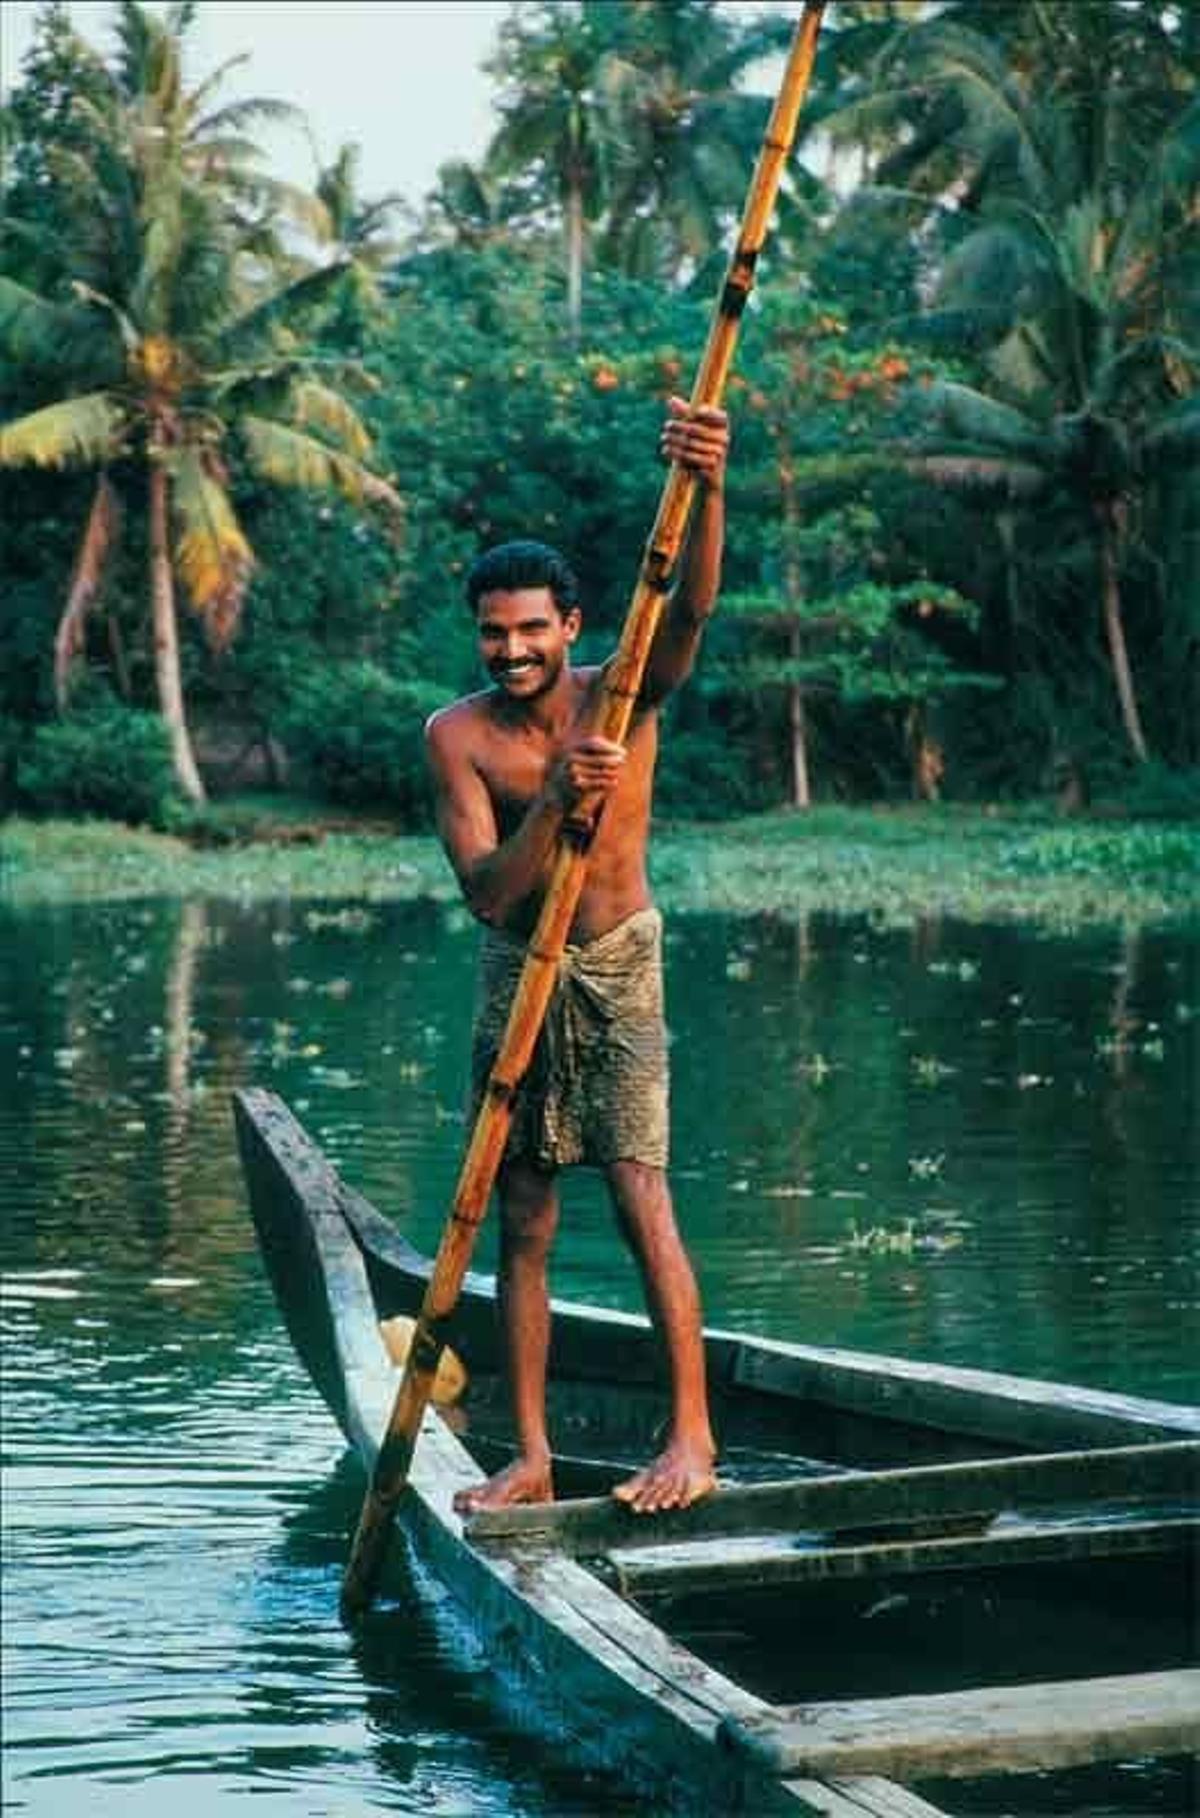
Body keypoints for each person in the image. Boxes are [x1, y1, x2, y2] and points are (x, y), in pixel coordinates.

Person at [425, 396, 730, 1517]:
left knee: (642, 1192)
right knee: (525, 1215)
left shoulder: (624, 690)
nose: (513, 651)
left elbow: (693, 603)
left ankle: (691, 1438)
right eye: (494, 633)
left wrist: (709, 475)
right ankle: (534, 1454)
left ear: (571, 624)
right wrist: (555, 798)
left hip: (619, 961)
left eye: (532, 630)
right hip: (520, 971)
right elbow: (489, 895)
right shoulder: (454, 738)